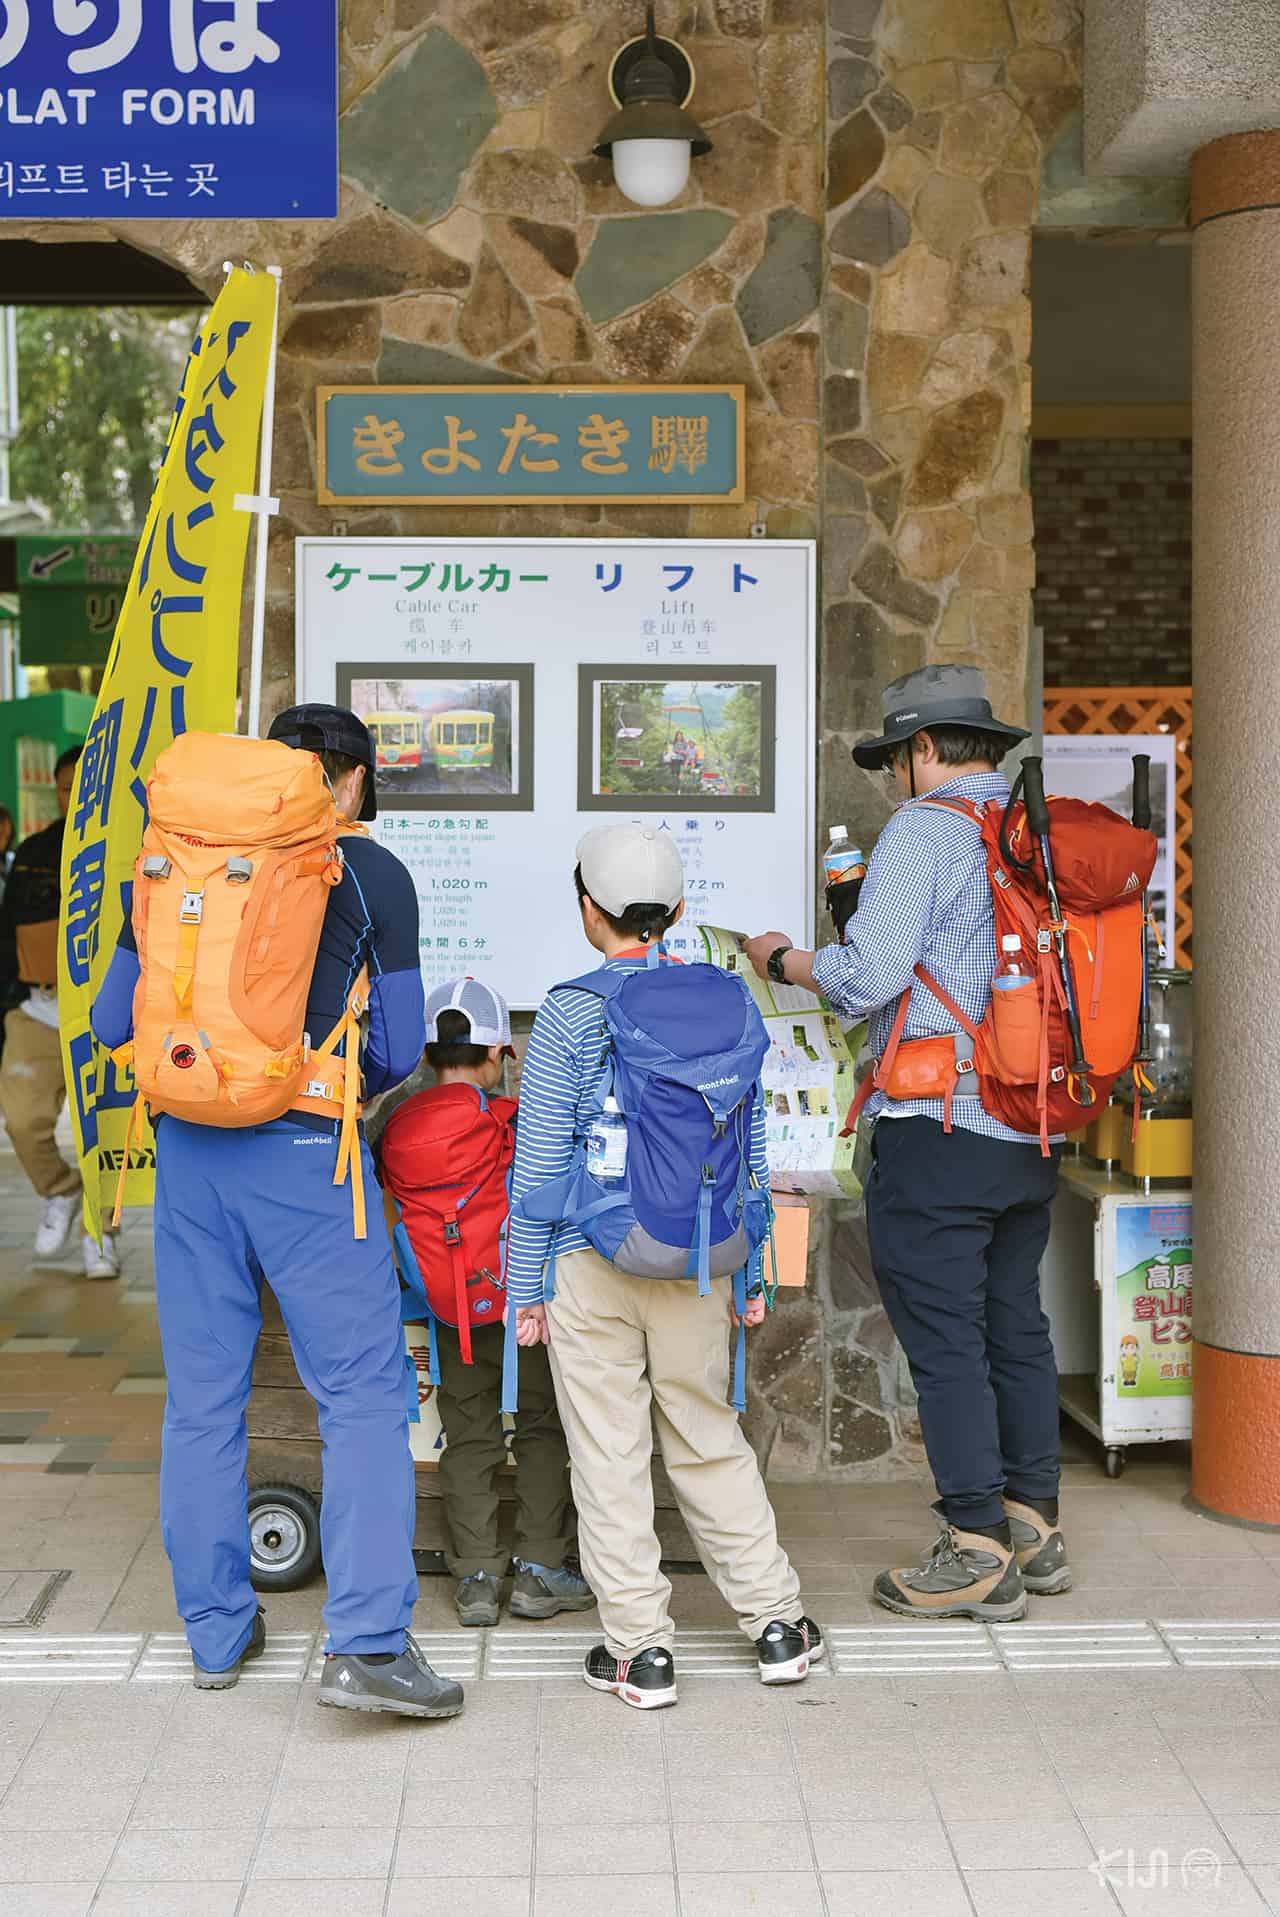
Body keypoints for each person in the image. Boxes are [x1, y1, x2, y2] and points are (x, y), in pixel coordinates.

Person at [91, 704, 463, 1717]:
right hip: (308, 1159)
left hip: (189, 1161)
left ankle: (216, 1633)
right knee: (362, 1399)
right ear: (347, 781)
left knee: (202, 1402)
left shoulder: (175, 859)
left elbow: (106, 1020)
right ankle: (370, 1645)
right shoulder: (367, 873)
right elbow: (392, 1049)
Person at [745, 666, 1069, 1622]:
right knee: (1015, 1321)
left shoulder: (924, 829)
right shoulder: (1029, 829)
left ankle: (973, 1548)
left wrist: (784, 958)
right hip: (1029, 1120)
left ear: (924, 749)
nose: (896, 777)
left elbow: (867, 976)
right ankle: (1033, 1524)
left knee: (946, 1342)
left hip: (939, 1122)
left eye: (897, 759)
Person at [504, 823, 822, 1710]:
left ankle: (640, 1650)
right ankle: (778, 1624)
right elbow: (750, 1147)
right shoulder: (726, 999)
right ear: (677, 912)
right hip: (698, 1256)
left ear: (586, 912)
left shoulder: (570, 1009)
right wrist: (751, 1273)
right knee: (706, 1432)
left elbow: (536, 1167)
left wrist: (524, 1286)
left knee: (608, 1453)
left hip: (588, 1259)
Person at [379, 977, 593, 1629]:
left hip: (446, 1307)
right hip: (520, 1299)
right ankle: (538, 1569)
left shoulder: (394, 1129)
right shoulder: (512, 1122)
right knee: (538, 1425)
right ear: (499, 1053)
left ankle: (475, 1576)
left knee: (468, 1435)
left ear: (425, 1055)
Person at [0, 746, 120, 1279]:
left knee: (104, 1132)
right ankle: (62, 1191)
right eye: (63, 788)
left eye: (80, 787)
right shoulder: (32, 851)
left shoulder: (123, 847)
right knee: (24, 1122)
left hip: (104, 1012)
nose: (70, 798)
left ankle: (100, 1232)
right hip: (38, 1010)